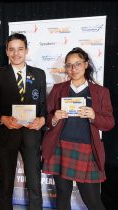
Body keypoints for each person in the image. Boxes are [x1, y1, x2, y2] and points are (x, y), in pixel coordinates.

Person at [42, 47, 115, 210]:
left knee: (92, 201)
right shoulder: (58, 89)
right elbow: (47, 120)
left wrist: (95, 116)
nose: (73, 69)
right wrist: (54, 117)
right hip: (59, 147)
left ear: (86, 65)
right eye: (69, 65)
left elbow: (109, 123)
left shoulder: (100, 92)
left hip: (87, 150)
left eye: (78, 64)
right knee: (62, 197)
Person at [0, 33, 46, 210]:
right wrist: (2, 118)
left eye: (20, 49)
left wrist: (43, 119)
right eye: (11, 49)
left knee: (35, 184)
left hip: (31, 134)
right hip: (8, 134)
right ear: (6, 51)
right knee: (6, 184)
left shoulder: (39, 74)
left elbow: (43, 104)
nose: (16, 54)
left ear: (26, 50)